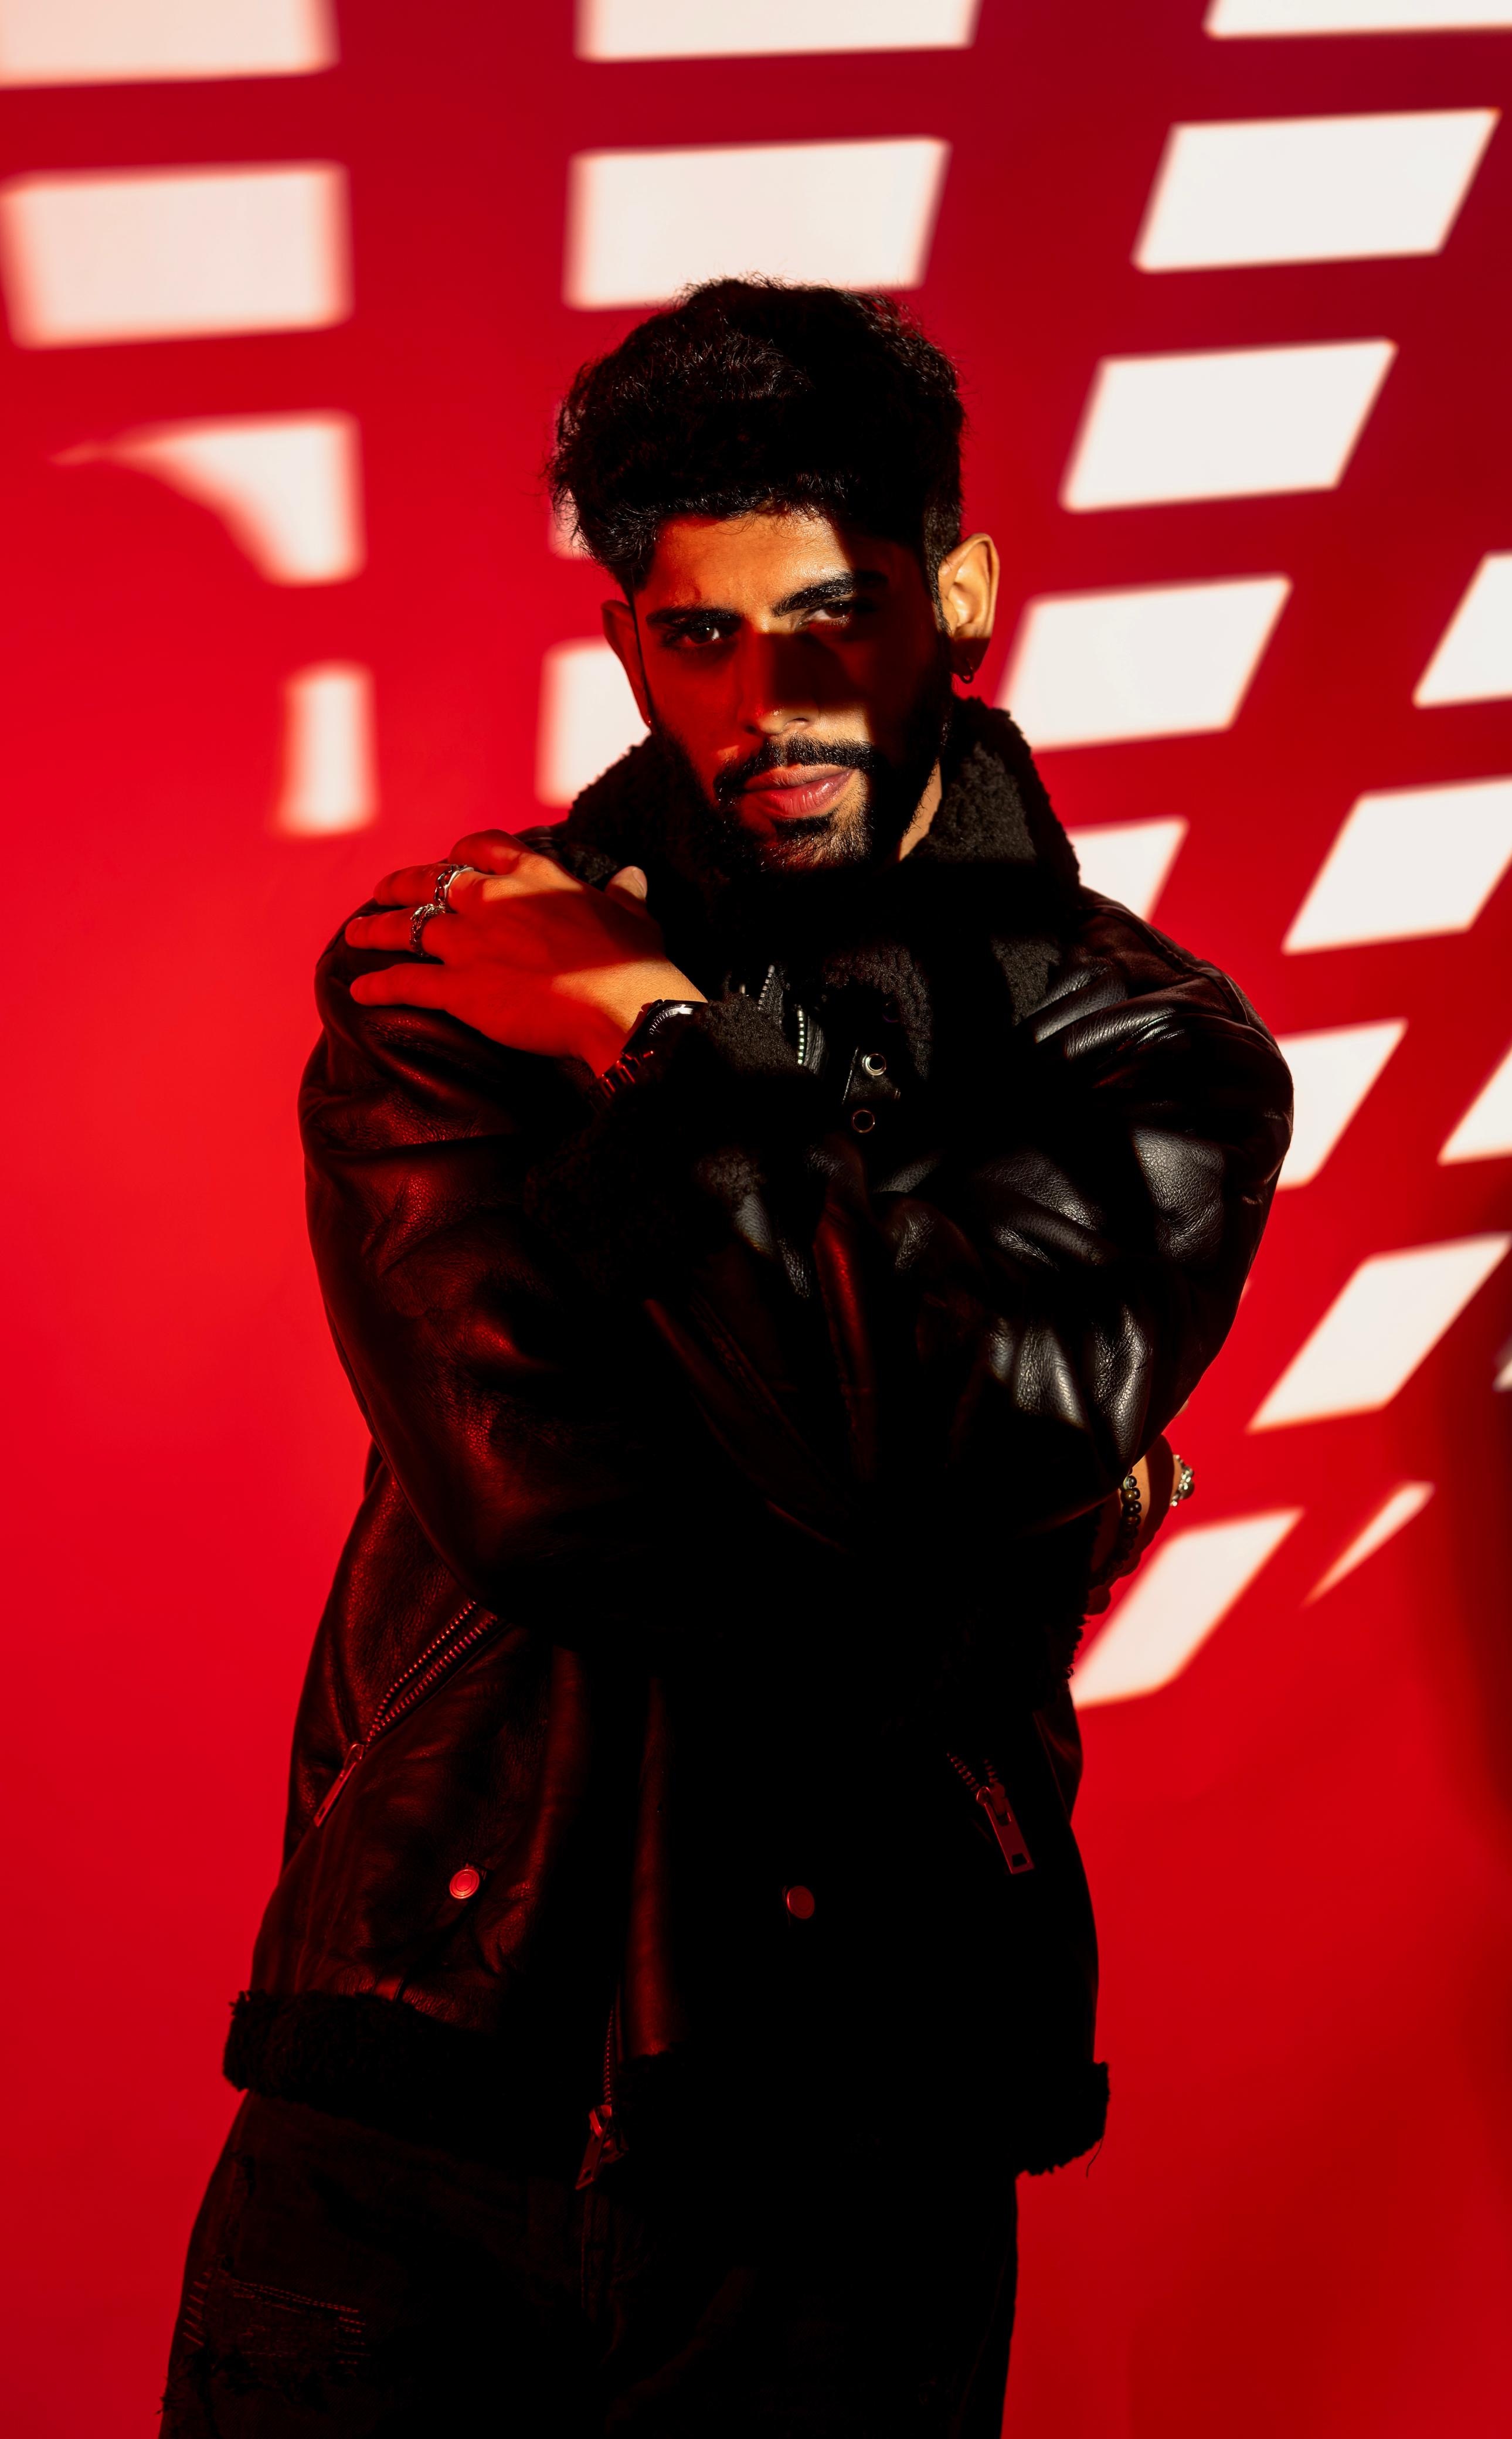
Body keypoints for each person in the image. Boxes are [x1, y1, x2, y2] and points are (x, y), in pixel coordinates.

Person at [162, 280, 1291, 2437]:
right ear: (625, 646)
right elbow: (547, 1511)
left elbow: (920, 1461)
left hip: (857, 2099)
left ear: (957, 595)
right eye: (701, 635)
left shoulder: (1146, 1050)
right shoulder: (453, 968)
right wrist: (1000, 1532)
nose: (775, 702)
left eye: (831, 616)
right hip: (413, 2055)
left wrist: (655, 1045)